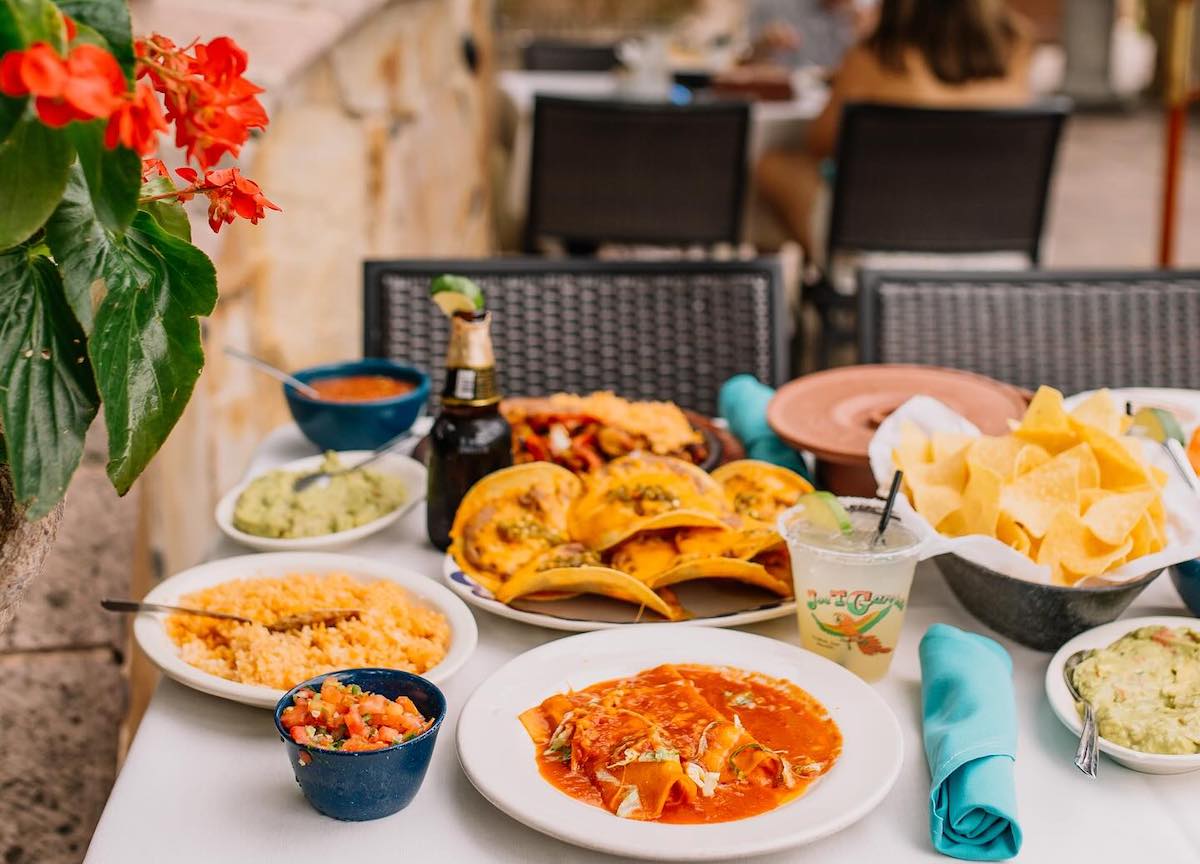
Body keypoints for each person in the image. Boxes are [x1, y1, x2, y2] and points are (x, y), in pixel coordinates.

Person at [755, 0, 1033, 258]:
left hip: (878, 242)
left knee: (772, 166)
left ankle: (773, 292)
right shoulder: (1017, 48)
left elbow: (820, 145)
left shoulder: (874, 58)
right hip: (988, 236)